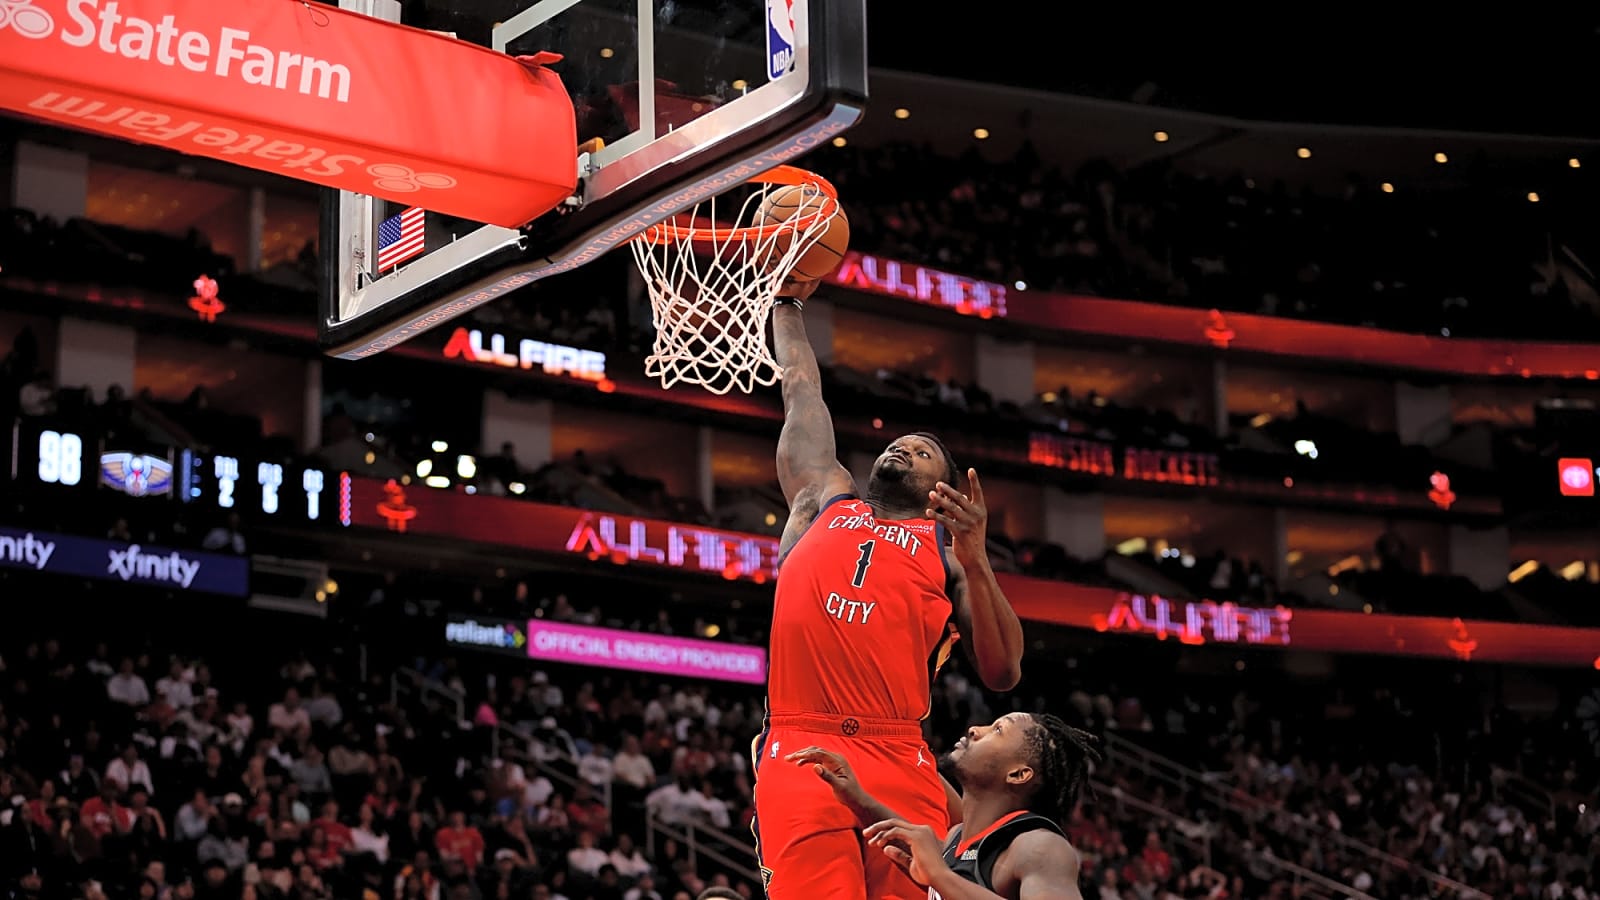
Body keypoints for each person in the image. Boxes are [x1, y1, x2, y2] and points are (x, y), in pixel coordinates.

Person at [753, 278, 1025, 900]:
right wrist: (785, 301)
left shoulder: (949, 555)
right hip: (801, 740)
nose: (906, 444)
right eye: (902, 440)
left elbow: (1004, 671)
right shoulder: (822, 497)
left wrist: (977, 561)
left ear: (942, 490)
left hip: (898, 751)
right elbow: (801, 390)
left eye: (925, 450)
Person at [786, 712, 1096, 899]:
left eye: (998, 730)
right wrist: (859, 799)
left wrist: (939, 876)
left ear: (1018, 774)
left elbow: (945, 874)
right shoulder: (957, 841)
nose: (976, 729)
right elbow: (947, 866)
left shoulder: (1040, 847)